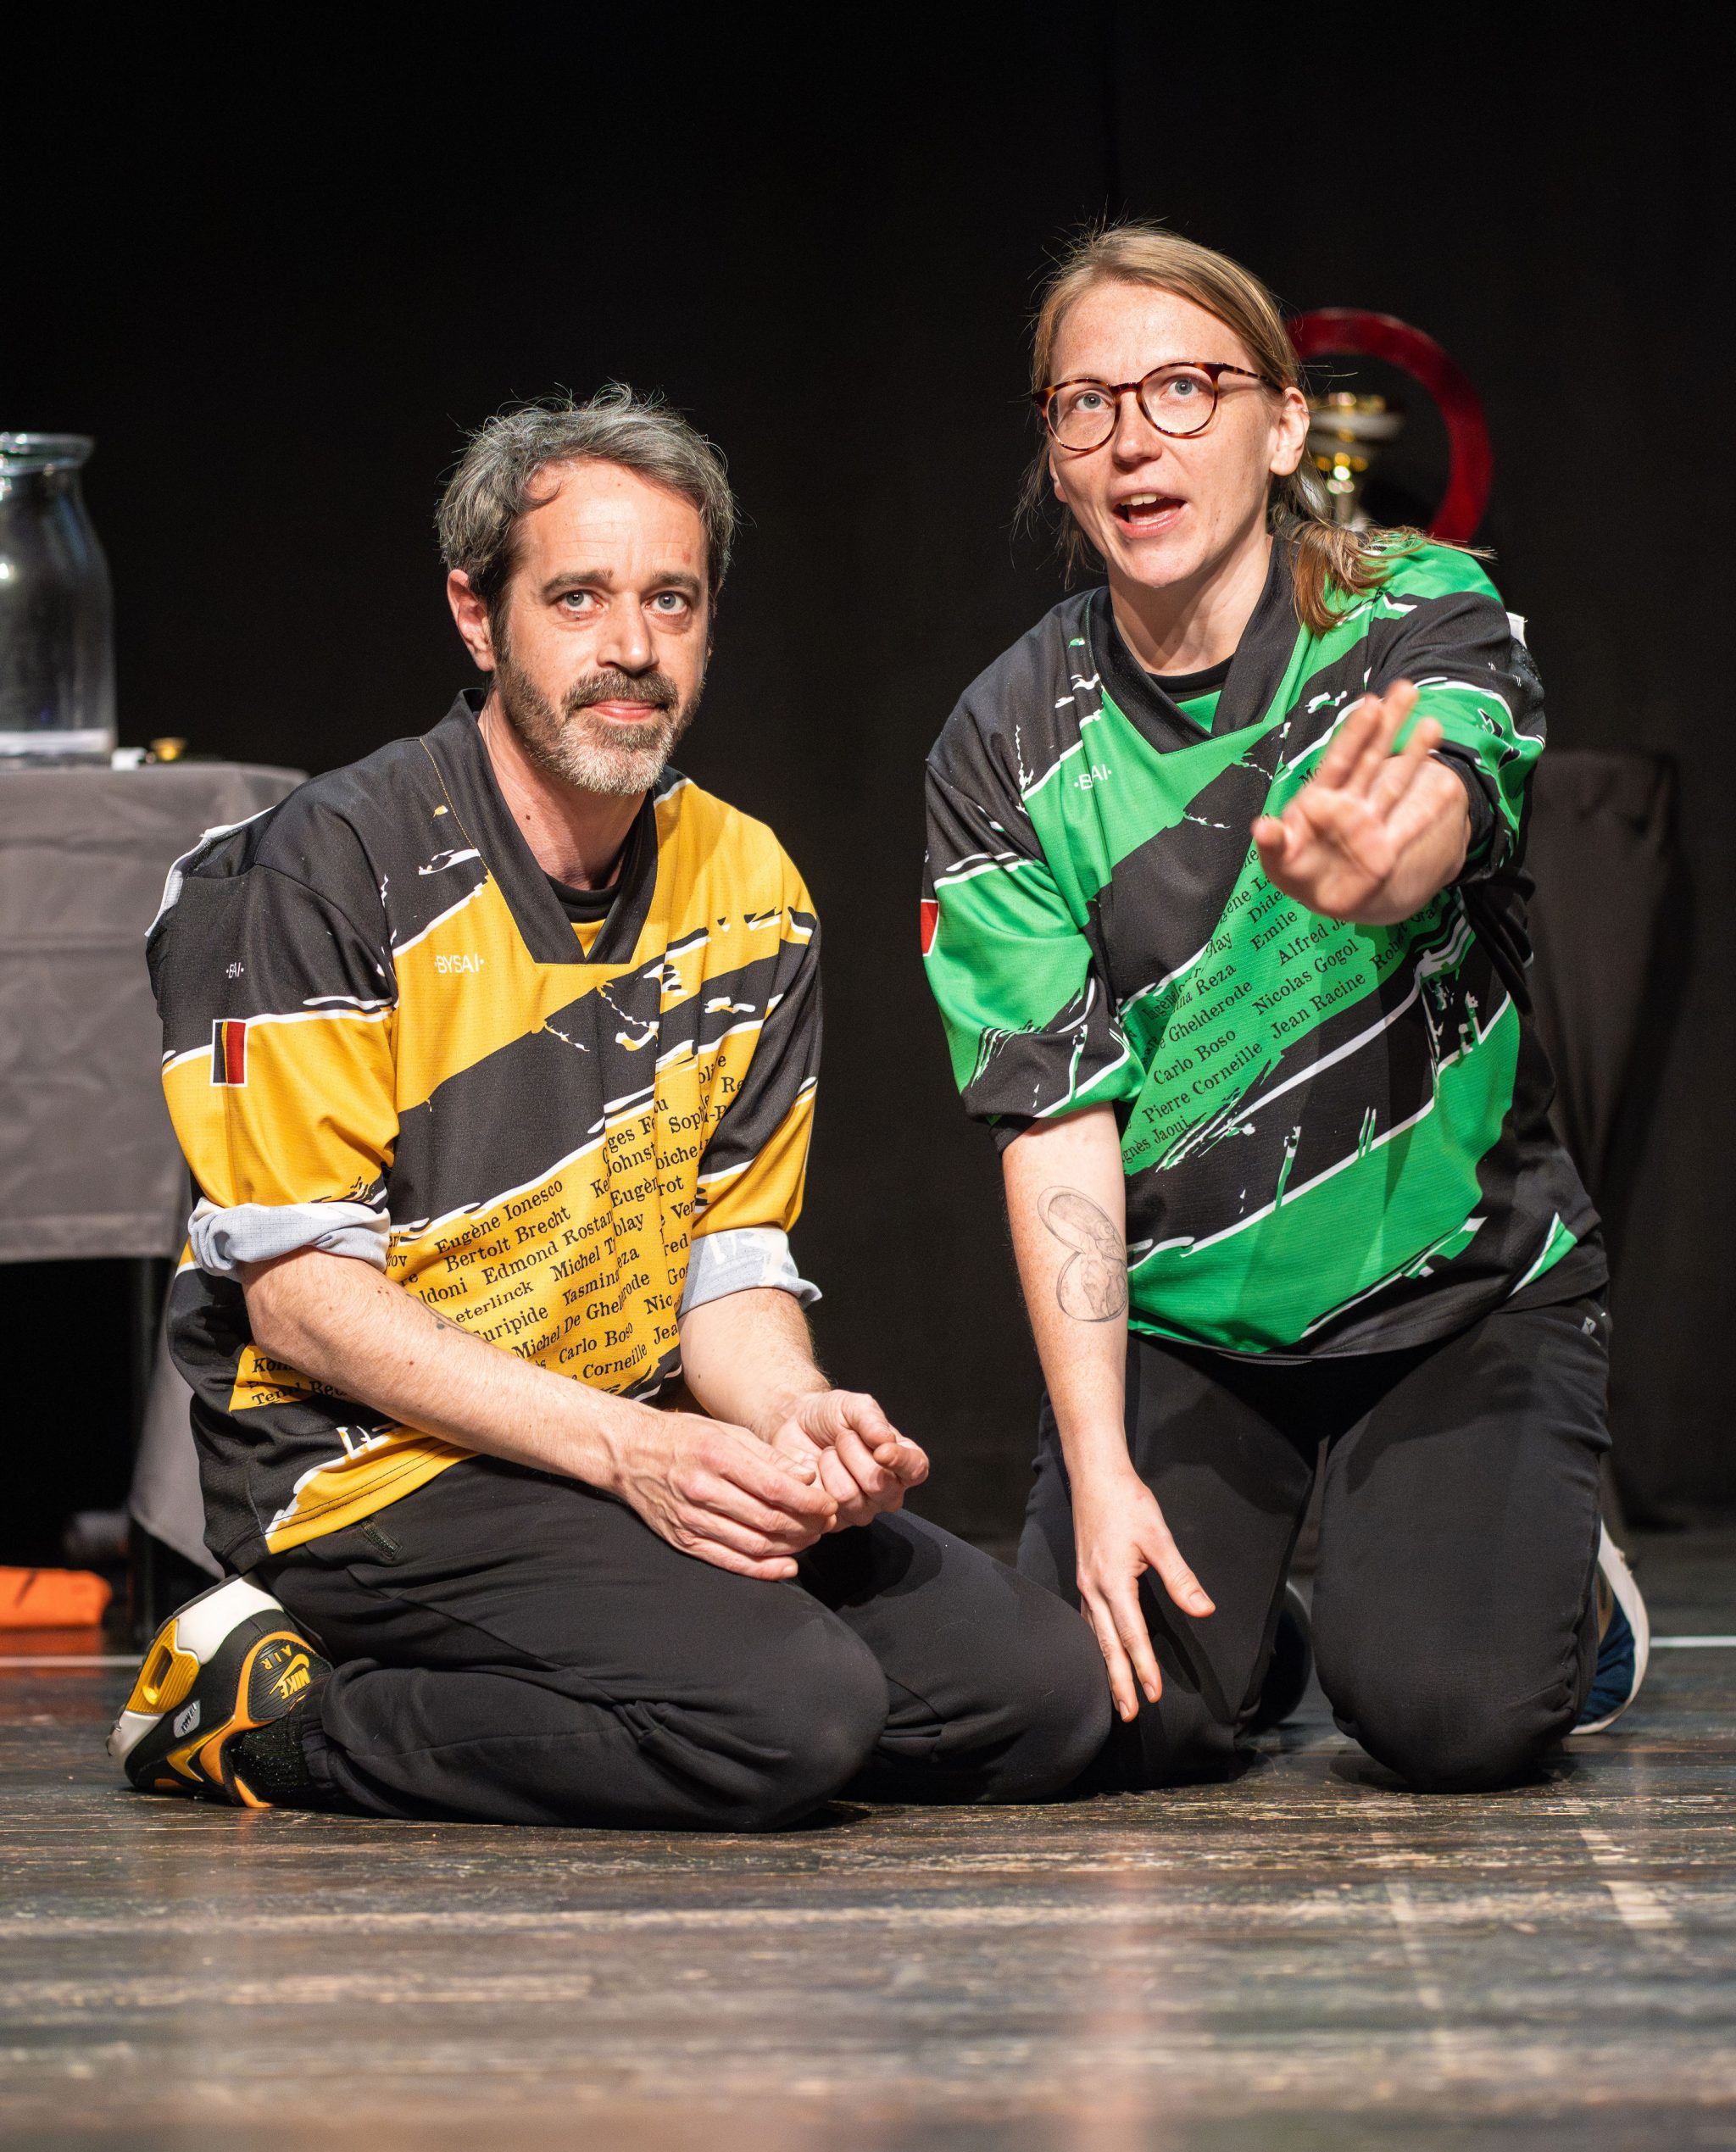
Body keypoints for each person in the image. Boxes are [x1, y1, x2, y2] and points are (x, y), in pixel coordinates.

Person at [112, 388, 1110, 1828]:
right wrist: (632, 1452)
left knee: (1043, 1697)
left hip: (618, 1445)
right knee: (793, 1716)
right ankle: (275, 1719)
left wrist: (798, 1418)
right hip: (368, 1471)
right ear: (478, 615)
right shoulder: (320, 870)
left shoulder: (748, 882)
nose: (631, 646)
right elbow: (306, 1308)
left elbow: (729, 1271)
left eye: (671, 600)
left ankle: (646, 1690)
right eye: (577, 598)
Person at [921, 226, 1647, 1794]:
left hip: (1457, 1293)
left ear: (1284, 424)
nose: (1135, 438)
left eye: (1185, 388)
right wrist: (1100, 1466)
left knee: (1448, 1718)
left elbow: (1449, 791)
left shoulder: (1419, 606)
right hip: (1192, 1323)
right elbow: (1052, 1119)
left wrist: (1390, 864)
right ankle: (1261, 1637)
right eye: (1088, 403)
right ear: (1055, 453)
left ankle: (1565, 1600)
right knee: (1112, 1714)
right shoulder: (1003, 740)